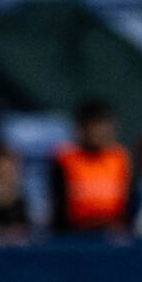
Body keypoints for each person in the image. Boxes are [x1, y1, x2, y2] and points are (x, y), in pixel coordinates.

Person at [52, 99, 133, 234]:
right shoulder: (65, 160)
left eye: (103, 125)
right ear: (82, 127)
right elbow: (59, 210)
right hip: (76, 235)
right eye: (94, 125)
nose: (99, 131)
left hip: (113, 236)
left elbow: (129, 205)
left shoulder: (121, 159)